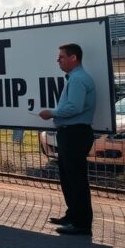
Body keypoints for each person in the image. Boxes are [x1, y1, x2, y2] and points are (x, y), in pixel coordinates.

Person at [38, 43, 96, 236]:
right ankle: (73, 215)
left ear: (73, 58)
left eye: (61, 57)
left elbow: (74, 107)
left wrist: (52, 112)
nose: (58, 60)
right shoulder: (74, 78)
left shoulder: (78, 79)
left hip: (75, 134)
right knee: (68, 177)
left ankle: (82, 223)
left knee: (76, 179)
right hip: (70, 133)